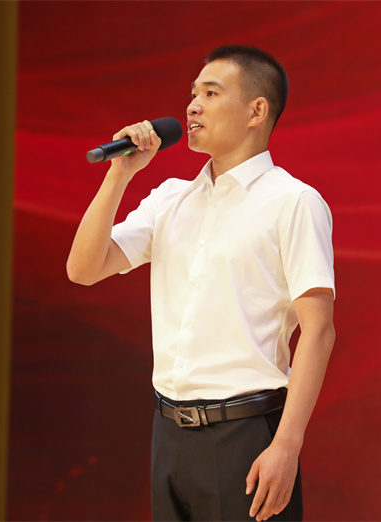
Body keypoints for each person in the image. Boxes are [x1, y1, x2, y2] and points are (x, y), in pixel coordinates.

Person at [66, 45, 335, 522]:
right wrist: (118, 175)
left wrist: (286, 445)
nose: (192, 106)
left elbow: (319, 330)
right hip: (169, 432)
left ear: (256, 111)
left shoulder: (293, 201)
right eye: (193, 94)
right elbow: (83, 269)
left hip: (245, 434)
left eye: (211, 94)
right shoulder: (170, 199)